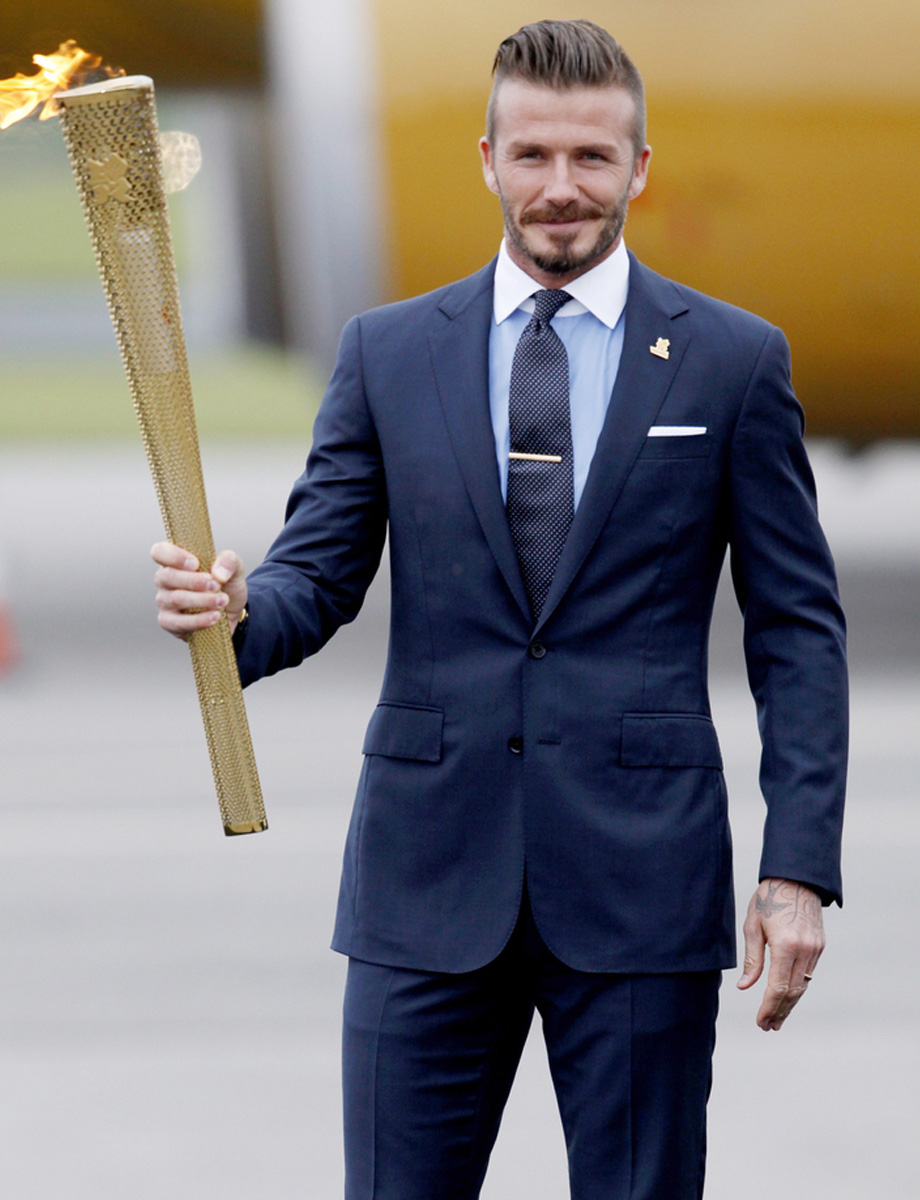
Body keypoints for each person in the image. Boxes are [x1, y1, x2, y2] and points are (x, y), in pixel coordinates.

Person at [152, 20, 847, 1199]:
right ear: (485, 159)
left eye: (590, 158)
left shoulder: (732, 362)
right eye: (531, 156)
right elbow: (313, 582)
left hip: (642, 889)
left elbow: (796, 631)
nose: (559, 188)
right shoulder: (386, 354)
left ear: (638, 168)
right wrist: (231, 608)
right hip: (425, 884)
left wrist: (797, 871)